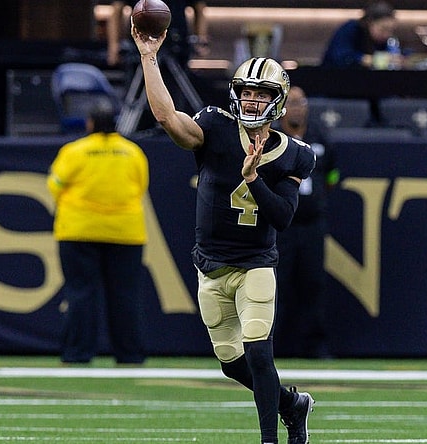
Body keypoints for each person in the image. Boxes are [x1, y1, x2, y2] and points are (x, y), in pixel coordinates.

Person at [131, 19, 317, 444]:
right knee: (231, 362)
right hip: (210, 264)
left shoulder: (295, 155)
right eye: (247, 92)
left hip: (256, 263)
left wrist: (253, 179)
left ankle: (271, 438)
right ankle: (293, 404)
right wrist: (148, 56)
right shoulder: (215, 127)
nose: (252, 100)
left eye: (262, 93)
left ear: (279, 100)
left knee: (257, 350)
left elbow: (283, 218)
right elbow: (167, 119)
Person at [46, 102, 150, 365]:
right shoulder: (133, 152)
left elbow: (54, 186)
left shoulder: (75, 151)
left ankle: (77, 353)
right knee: (125, 295)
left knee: (80, 293)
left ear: (89, 124)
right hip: (125, 232)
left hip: (79, 230)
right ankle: (130, 354)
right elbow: (141, 187)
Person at [272, 86, 339, 359]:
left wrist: (319, 199)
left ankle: (316, 345)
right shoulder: (273, 138)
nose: (297, 108)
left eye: (301, 102)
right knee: (277, 285)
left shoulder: (319, 136)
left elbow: (332, 176)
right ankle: (273, 346)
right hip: (281, 226)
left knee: (313, 284)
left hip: (312, 224)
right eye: (291, 103)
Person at [107, 0, 209, 68]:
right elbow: (117, 9)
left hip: (176, 44)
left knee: (174, 93)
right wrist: (113, 46)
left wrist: (201, 40)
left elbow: (199, 7)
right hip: (140, 45)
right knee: (139, 89)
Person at [319, 0, 400, 69]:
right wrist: (369, 60)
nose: (387, 34)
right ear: (369, 23)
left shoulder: (384, 42)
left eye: (391, 30)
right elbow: (341, 57)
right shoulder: (351, 28)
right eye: (383, 29)